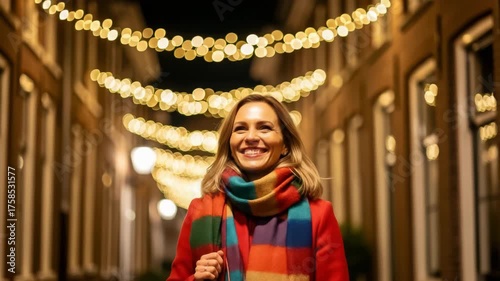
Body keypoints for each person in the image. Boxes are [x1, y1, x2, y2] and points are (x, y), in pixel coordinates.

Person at [167, 94, 349, 281]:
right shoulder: (201, 211)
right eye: (240, 129)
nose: (251, 137)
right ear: (230, 144)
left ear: (285, 144)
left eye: (264, 128)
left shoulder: (318, 215)